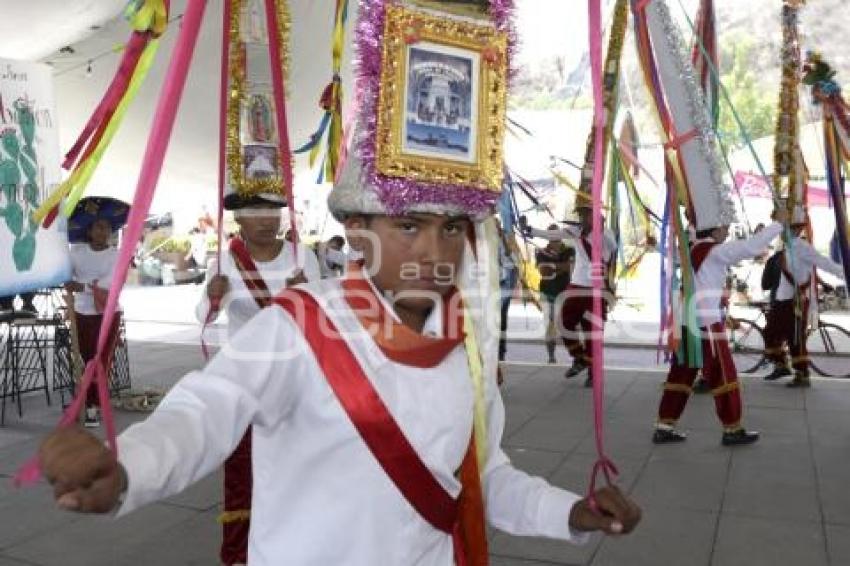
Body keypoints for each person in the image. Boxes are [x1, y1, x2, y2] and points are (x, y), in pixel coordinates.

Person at [38, 151, 641, 566]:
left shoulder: (466, 345)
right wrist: (125, 472)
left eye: (454, 228)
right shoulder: (298, 325)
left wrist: (573, 513)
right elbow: (203, 411)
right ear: (357, 229)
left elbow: (481, 478)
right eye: (409, 225)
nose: (435, 252)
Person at [196, 188, 320, 566]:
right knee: (241, 475)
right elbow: (203, 317)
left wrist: (305, 296)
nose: (267, 219)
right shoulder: (225, 260)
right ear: (239, 219)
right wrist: (212, 295)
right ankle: (239, 556)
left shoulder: (303, 257)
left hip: (293, 376)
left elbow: (322, 319)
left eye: (273, 211)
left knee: (296, 468)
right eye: (256, 211)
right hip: (243, 378)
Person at [653, 209, 787, 446]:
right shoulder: (713, 251)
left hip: (688, 322)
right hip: (706, 325)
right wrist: (778, 225)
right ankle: (732, 428)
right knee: (724, 375)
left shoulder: (694, 248)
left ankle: (664, 425)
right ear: (714, 229)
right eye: (724, 226)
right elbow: (749, 248)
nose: (727, 230)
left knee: (681, 375)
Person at [521, 203, 618, 386]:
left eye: (585, 215)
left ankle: (592, 372)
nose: (582, 219)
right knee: (563, 322)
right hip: (577, 285)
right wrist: (530, 229)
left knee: (592, 332)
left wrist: (597, 228)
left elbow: (611, 247)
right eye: (581, 215)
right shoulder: (576, 231)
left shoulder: (606, 234)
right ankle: (579, 357)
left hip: (597, 289)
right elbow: (552, 235)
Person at [65, 196, 129, 429]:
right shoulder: (76, 252)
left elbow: (113, 283)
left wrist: (82, 286)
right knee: (85, 357)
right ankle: (90, 399)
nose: (104, 231)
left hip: (108, 314)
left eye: (108, 227)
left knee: (101, 360)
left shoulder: (118, 254)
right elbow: (65, 273)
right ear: (89, 230)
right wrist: (67, 282)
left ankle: (92, 405)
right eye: (99, 227)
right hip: (81, 312)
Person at [762, 216, 845, 388]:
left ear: (796, 230)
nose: (783, 232)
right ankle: (781, 365)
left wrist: (844, 273)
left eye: (787, 228)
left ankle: (802, 374)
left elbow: (824, 263)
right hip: (782, 299)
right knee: (770, 332)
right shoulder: (786, 248)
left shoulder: (803, 247)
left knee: (796, 338)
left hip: (796, 302)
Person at [535, 226, 575, 364]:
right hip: (548, 293)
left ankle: (576, 356)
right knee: (550, 325)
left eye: (557, 237)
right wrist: (562, 267)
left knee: (568, 325)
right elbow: (544, 272)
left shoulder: (570, 250)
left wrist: (554, 267)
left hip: (566, 293)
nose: (555, 241)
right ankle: (551, 356)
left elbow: (571, 267)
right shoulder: (541, 252)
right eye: (552, 238)